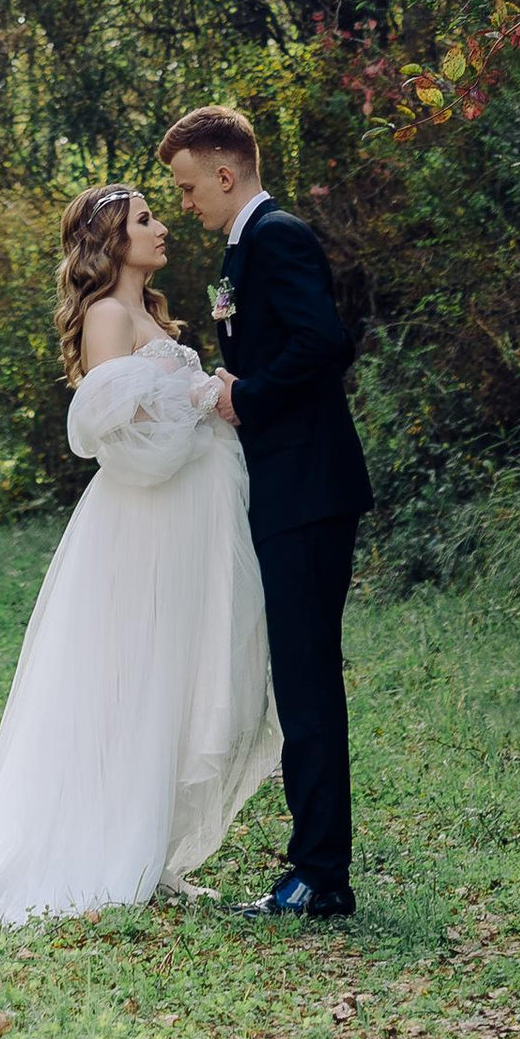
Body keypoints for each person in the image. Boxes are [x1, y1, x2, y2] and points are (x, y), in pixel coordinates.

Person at [0, 182, 281, 928]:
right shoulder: (107, 314)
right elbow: (115, 432)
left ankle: (146, 841)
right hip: (143, 518)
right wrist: (200, 399)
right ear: (110, 239)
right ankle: (105, 847)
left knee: (167, 673)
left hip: (184, 516)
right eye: (144, 219)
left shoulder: (150, 311)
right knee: (130, 673)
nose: (161, 226)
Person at [160, 104, 371, 922]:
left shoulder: (277, 235)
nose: (183, 201)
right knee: (301, 679)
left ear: (224, 171)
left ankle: (322, 876)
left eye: (186, 185)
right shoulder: (240, 249)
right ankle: (316, 868)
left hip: (310, 491)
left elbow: (324, 341)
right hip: (289, 490)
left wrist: (243, 392)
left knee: (308, 682)